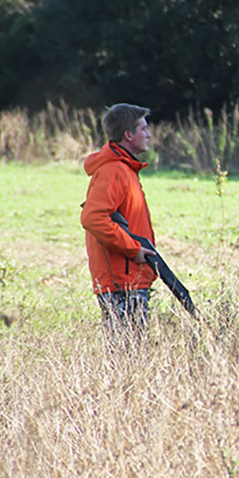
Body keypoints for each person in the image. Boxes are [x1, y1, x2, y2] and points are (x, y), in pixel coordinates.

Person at [81, 103, 157, 332]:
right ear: (128, 135)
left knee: (132, 348)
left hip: (130, 276)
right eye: (143, 129)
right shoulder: (114, 171)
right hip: (122, 281)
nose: (148, 134)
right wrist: (134, 250)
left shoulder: (124, 169)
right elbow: (93, 218)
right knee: (126, 348)